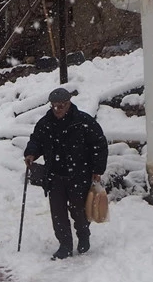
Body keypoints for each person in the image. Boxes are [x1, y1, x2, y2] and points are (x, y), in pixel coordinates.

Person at [24, 87, 108, 260]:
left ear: (69, 103)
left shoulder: (83, 121)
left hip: (79, 174)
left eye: (61, 105)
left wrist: (97, 169)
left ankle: (83, 235)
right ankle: (65, 245)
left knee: (79, 210)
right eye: (54, 106)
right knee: (58, 212)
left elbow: (99, 145)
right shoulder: (45, 123)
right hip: (54, 176)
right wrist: (31, 153)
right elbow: (36, 141)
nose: (57, 109)